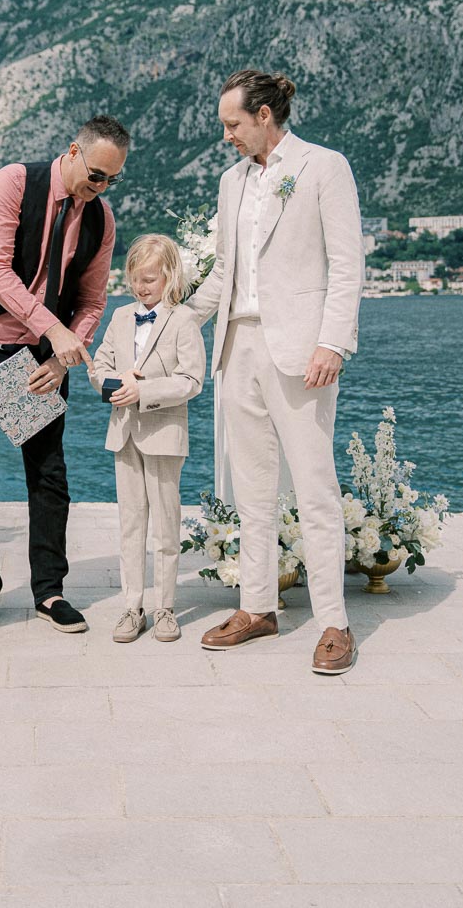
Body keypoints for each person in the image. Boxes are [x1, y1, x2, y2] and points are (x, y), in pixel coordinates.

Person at [186, 70, 364, 675]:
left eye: (232, 124)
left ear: (265, 115)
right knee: (252, 490)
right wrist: (173, 321)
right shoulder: (229, 182)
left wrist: (332, 344)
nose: (226, 136)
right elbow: (223, 270)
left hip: (302, 351)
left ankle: (334, 622)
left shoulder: (324, 167)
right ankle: (257, 608)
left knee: (315, 487)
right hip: (237, 347)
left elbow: (347, 265)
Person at [0, 115, 129, 634]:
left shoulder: (100, 219)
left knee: (48, 474)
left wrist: (59, 356)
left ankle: (49, 591)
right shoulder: (14, 182)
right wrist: (55, 329)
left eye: (112, 180)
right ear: (72, 152)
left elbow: (92, 301)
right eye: (95, 175)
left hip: (36, 359)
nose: (100, 187)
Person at [90, 235, 205, 644]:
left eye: (150, 280)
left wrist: (145, 391)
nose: (141, 287)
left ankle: (166, 608)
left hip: (164, 435)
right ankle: (132, 607)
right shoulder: (121, 317)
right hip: (123, 434)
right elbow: (99, 366)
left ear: (169, 277)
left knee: (166, 527)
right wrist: (115, 384)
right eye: (136, 279)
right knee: (130, 525)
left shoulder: (184, 320)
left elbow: (191, 380)